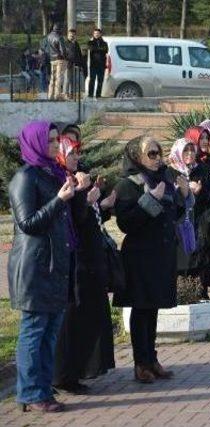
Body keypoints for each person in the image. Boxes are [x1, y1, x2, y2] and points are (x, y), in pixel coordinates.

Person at [8, 121, 77, 412]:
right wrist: (60, 200)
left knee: (50, 332)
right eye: (48, 141)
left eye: (55, 139)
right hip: (35, 267)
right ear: (34, 143)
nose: (54, 145)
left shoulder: (52, 172)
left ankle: (42, 388)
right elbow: (28, 223)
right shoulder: (26, 177)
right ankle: (30, 393)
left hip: (54, 264)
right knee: (34, 331)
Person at [113, 136, 190, 383]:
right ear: (137, 156)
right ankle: (140, 363)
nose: (157, 158)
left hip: (162, 253)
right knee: (141, 308)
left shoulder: (164, 178)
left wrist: (184, 196)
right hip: (140, 256)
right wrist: (150, 199)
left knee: (154, 307)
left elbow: (173, 214)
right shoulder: (128, 183)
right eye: (151, 154)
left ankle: (152, 359)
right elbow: (126, 223)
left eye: (159, 152)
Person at [52, 124, 115, 394]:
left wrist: (95, 202)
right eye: (72, 151)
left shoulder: (75, 177)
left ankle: (78, 370)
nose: (78, 157)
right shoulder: (62, 179)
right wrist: (85, 199)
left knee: (87, 315)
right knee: (70, 318)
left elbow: (87, 219)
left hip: (87, 256)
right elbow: (71, 218)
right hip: (73, 259)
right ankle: (64, 375)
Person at [167, 138, 210, 300]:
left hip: (199, 226)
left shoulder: (202, 169)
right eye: (186, 150)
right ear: (178, 152)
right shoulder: (169, 172)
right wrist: (183, 192)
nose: (190, 154)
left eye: (192, 150)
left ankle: (200, 296)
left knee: (199, 263)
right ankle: (179, 298)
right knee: (180, 263)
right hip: (178, 227)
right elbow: (166, 199)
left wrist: (200, 191)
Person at [47, 23, 67, 100]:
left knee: (52, 78)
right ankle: (56, 95)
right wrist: (64, 57)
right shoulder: (59, 37)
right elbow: (63, 50)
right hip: (59, 59)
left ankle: (50, 95)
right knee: (58, 78)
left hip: (52, 59)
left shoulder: (48, 37)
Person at [87, 28, 108, 98]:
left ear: (100, 34)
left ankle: (98, 95)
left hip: (101, 65)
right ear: (93, 34)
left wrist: (98, 49)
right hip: (93, 64)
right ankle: (90, 94)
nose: (96, 35)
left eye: (98, 33)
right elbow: (91, 48)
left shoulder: (104, 43)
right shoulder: (90, 42)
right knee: (92, 80)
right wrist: (99, 49)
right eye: (95, 33)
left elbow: (105, 50)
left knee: (100, 81)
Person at [63, 29, 84, 98]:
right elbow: (63, 54)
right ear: (68, 35)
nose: (72, 36)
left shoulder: (76, 43)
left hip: (75, 64)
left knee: (73, 80)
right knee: (67, 79)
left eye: (73, 35)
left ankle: (72, 93)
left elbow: (79, 54)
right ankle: (66, 93)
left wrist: (80, 64)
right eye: (70, 35)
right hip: (67, 64)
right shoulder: (65, 43)